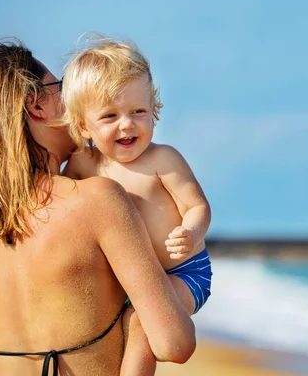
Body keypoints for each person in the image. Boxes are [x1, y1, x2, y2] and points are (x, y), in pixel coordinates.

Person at [0, 40, 195, 376]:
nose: (75, 100)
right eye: (61, 88)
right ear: (36, 105)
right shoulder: (97, 199)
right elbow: (173, 343)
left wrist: (34, 338)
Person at [61, 37, 212, 375]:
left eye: (138, 112)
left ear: (153, 110)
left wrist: (191, 231)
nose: (127, 124)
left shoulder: (164, 159)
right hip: (126, 279)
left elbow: (198, 206)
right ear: (83, 125)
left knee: (143, 321)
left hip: (184, 274)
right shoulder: (83, 165)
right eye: (110, 116)